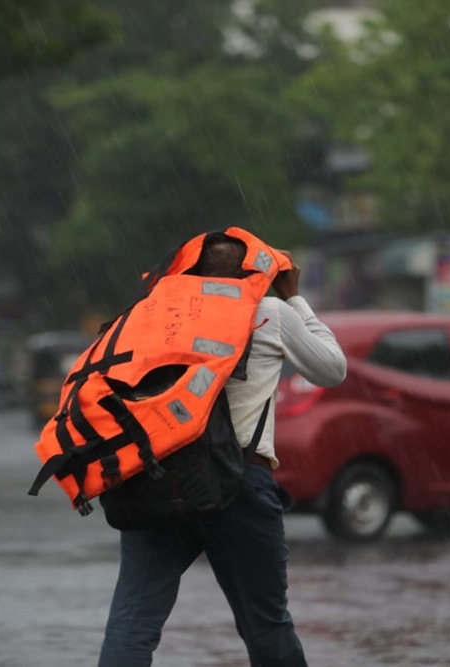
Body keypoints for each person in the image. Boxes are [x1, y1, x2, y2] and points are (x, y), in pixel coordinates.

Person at [97, 236, 347, 667]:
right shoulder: (269, 312)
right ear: (251, 273)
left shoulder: (153, 316)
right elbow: (332, 368)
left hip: (156, 479)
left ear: (188, 270)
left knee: (132, 622)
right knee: (265, 625)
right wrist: (294, 296)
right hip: (239, 487)